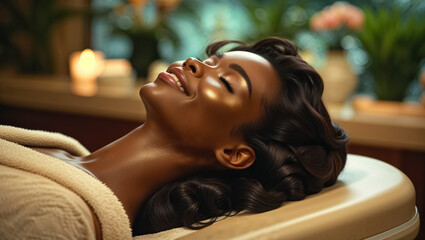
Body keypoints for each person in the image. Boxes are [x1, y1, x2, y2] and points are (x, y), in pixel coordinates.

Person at [0, 37, 348, 239]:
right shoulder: (59, 150)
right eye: (212, 60)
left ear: (234, 153)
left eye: (228, 83)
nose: (195, 63)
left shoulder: (63, 216)